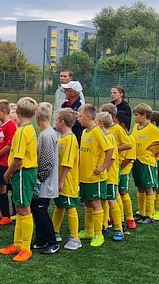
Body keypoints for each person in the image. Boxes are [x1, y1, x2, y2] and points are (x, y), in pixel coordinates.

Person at [0, 97, 38, 262]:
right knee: (21, 209)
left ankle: (25, 248)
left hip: (23, 172)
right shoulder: (29, 129)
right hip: (25, 172)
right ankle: (18, 243)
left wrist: (7, 173)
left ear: (18, 112)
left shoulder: (21, 131)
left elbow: (18, 159)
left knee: (24, 209)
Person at [75, 104, 115, 248]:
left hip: (95, 177)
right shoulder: (85, 131)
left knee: (96, 204)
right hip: (84, 176)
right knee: (87, 203)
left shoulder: (98, 131)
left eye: (80, 116)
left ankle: (99, 234)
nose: (78, 119)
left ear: (88, 117)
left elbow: (109, 150)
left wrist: (103, 167)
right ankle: (89, 230)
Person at [130, 103, 159, 224]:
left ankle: (149, 214)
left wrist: (152, 145)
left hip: (147, 162)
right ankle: (141, 213)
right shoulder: (136, 126)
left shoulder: (152, 128)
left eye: (136, 115)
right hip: (136, 160)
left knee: (148, 188)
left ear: (144, 115)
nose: (134, 118)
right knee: (140, 187)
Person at [32, 102, 60, 255]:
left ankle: (52, 241)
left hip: (45, 182)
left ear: (37, 117)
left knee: (41, 211)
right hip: (44, 181)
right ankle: (42, 239)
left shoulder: (47, 135)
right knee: (37, 210)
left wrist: (39, 178)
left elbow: (47, 161)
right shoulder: (47, 133)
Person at [51, 108, 82, 250]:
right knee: (59, 207)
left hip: (67, 181)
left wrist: (61, 180)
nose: (55, 122)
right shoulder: (62, 137)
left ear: (62, 122)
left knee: (70, 207)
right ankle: (54, 232)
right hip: (59, 179)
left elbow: (67, 163)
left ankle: (75, 238)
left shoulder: (70, 139)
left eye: (57, 120)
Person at [100, 104, 133, 234]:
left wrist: (112, 149)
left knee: (115, 195)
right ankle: (106, 222)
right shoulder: (100, 130)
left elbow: (128, 144)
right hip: (103, 166)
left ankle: (121, 224)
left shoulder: (117, 129)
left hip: (113, 166)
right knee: (106, 197)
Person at [95, 111, 125, 242]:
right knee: (103, 200)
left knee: (112, 200)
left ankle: (119, 229)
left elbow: (111, 158)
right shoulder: (103, 135)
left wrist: (103, 170)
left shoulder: (109, 137)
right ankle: (104, 224)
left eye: (96, 121)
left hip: (110, 175)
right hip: (104, 175)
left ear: (100, 124)